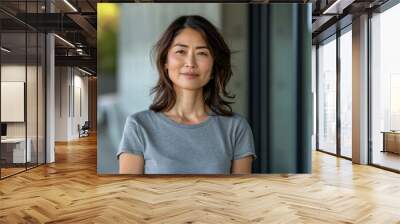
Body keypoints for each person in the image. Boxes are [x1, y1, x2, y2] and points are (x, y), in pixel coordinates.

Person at [117, 15, 256, 174]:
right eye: (181, 51)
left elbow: (240, 196)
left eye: (202, 53)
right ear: (165, 62)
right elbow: (130, 196)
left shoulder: (236, 128)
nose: (190, 63)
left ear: (214, 66)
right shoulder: (138, 126)